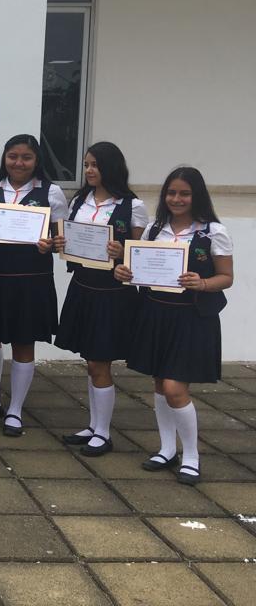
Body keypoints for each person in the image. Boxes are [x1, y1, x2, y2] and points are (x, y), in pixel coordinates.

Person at [118, 167, 233, 485]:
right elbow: (134, 265)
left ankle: (192, 456)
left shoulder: (213, 231)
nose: (177, 199)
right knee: (158, 384)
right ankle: (167, 449)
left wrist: (203, 282)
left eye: (184, 193)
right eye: (171, 193)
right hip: (156, 314)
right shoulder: (155, 229)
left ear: (197, 196)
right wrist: (124, 274)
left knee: (174, 388)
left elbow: (227, 277)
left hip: (192, 318)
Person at [51, 142, 147, 456]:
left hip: (112, 293)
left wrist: (124, 252)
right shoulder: (79, 200)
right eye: (86, 165)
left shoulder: (132, 206)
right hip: (83, 286)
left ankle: (103, 433)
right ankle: (93, 425)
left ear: (111, 167)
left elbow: (141, 256)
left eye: (95, 165)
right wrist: (59, 242)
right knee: (91, 362)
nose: (89, 170)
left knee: (99, 362)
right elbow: (66, 240)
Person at [0, 134, 69, 436]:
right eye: (13, 156)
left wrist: (50, 245)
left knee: (23, 342)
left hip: (31, 280)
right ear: (4, 158)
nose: (18, 162)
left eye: (26, 157)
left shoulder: (51, 193)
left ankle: (15, 409)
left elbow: (61, 241)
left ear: (36, 160)